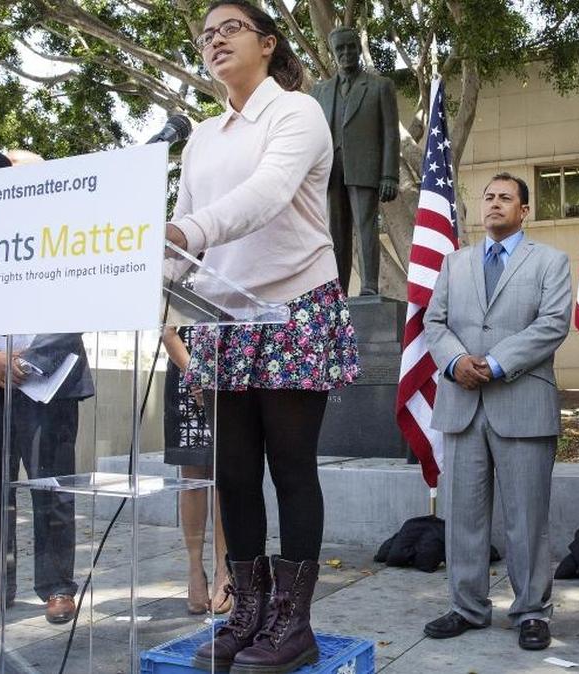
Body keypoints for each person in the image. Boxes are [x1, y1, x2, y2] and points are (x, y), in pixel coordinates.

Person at [166, 2, 360, 671]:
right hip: (219, 322)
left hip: (291, 309)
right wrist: (143, 273)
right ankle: (246, 614)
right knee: (235, 476)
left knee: (291, 468)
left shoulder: (296, 112)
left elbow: (269, 193)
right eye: (206, 34)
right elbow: (182, 230)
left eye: (229, 29)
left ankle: (292, 622)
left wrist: (186, 234)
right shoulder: (202, 135)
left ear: (267, 42)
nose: (214, 40)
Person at [421, 172, 572, 652]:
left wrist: (497, 362)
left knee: (526, 516)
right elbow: (434, 321)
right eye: (488, 197)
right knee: (463, 514)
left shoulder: (550, 261)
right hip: (462, 403)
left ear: (524, 210)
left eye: (506, 198)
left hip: (522, 400)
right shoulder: (454, 262)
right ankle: (467, 606)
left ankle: (531, 612)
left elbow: (553, 324)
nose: (495, 204)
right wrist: (455, 361)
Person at [0, 149, 90, 627]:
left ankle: (56, 588)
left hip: (49, 386)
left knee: (51, 490)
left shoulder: (71, 238)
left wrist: (25, 364)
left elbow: (83, 305)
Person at [309, 25, 401, 296]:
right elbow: (312, 136)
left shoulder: (380, 86)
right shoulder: (320, 92)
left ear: (358, 49)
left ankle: (370, 286)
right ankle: (339, 292)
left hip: (365, 169)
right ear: (333, 53)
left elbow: (390, 133)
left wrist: (389, 175)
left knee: (365, 228)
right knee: (335, 234)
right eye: (341, 48)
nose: (347, 52)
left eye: (351, 47)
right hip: (330, 172)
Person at [161, 325, 230, 615]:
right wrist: (195, 376)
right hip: (185, 367)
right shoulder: (178, 276)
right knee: (192, 477)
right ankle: (194, 570)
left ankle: (224, 573)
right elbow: (166, 331)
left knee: (226, 476)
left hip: (231, 367)